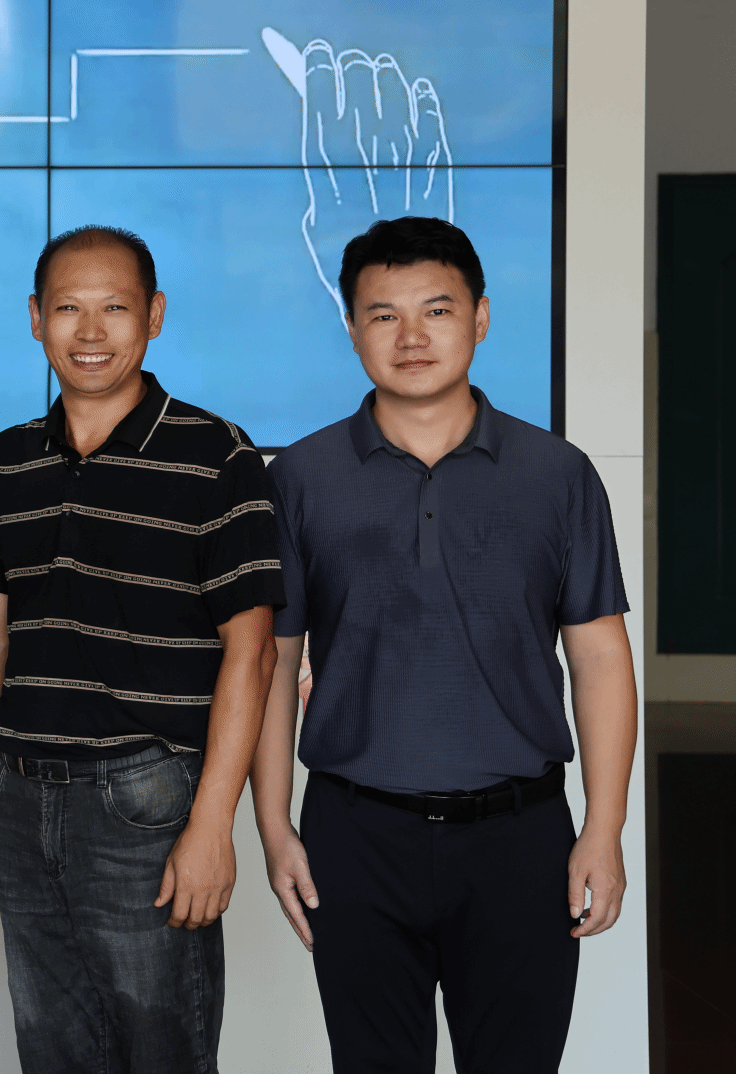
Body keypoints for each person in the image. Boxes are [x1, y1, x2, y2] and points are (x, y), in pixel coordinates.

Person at [251, 216, 637, 1074]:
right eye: (383, 314)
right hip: (355, 833)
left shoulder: (558, 475)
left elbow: (601, 658)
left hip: (521, 836)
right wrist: (273, 825)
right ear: (352, 328)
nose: (412, 337)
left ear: (481, 317)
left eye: (436, 309)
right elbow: (271, 665)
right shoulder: (300, 478)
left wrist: (604, 827)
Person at [0, 225, 282, 1073]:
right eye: (69, 308)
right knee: (53, 1052)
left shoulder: (217, 454)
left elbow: (252, 653)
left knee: (162, 1052)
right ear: (36, 318)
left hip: (149, 802)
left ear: (155, 315)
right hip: (21, 797)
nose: (91, 330)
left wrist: (214, 823)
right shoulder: (10, 460)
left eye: (115, 307)